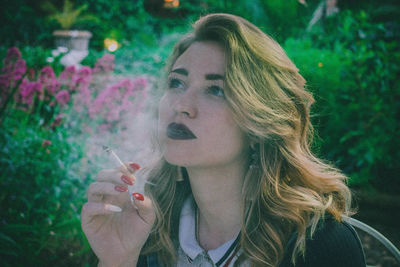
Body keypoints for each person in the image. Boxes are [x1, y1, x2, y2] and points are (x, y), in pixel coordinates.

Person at [81, 13, 366, 267]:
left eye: (216, 90)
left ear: (259, 123)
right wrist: (117, 260)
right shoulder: (143, 227)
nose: (182, 105)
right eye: (177, 83)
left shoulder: (318, 244)